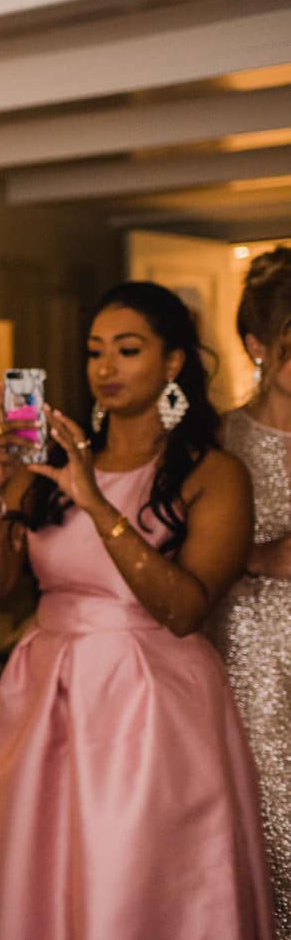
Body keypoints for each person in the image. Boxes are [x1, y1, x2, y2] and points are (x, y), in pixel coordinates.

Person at [0, 281, 271, 940]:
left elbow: (185, 608)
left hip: (152, 703)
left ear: (173, 363)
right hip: (43, 695)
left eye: (128, 350)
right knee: (39, 872)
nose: (104, 368)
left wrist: (97, 503)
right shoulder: (49, 464)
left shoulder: (213, 473)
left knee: (138, 878)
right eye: (95, 352)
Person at [211, 244, 291, 938]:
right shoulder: (222, 440)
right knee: (271, 827)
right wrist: (266, 555)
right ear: (257, 346)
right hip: (253, 655)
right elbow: (185, 563)